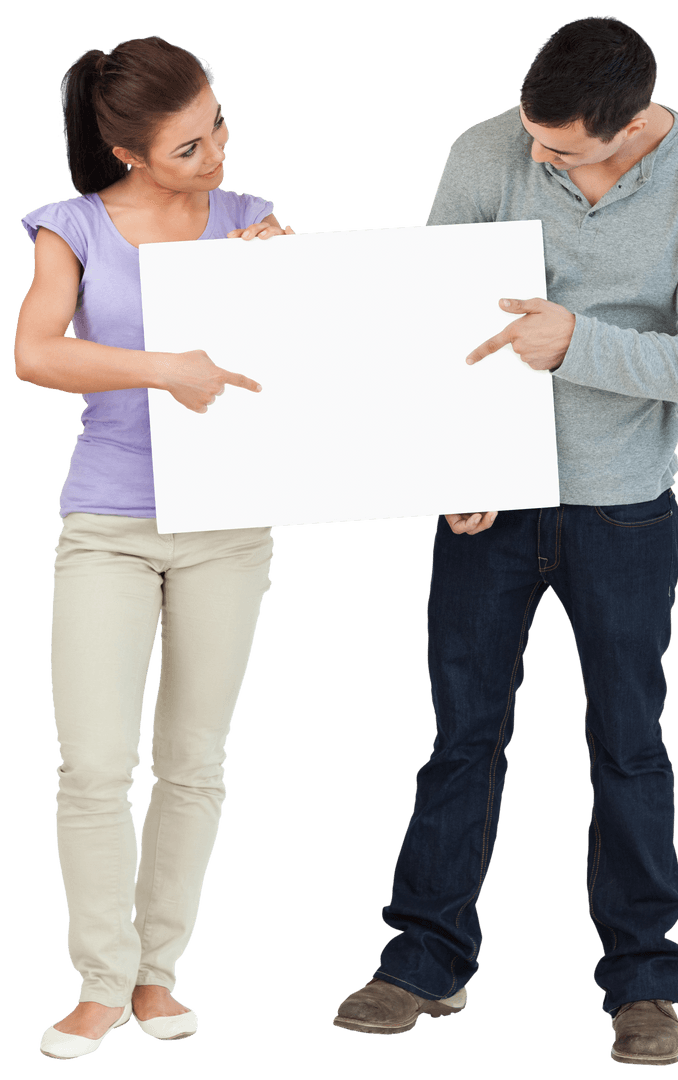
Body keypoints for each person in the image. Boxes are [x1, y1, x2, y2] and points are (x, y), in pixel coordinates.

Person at [332, 16, 678, 1067]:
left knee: (628, 743)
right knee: (459, 739)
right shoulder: (485, 149)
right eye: (532, 133)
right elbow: (428, 323)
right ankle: (422, 961)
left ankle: (643, 983)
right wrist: (451, 461)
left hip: (623, 508)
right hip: (490, 502)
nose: (536, 157)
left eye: (560, 150)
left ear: (627, 128)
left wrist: (573, 342)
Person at [14, 36, 293, 1061]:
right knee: (93, 765)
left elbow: (294, 367)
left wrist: (287, 281)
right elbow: (37, 352)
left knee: (192, 763)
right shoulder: (73, 228)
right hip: (111, 526)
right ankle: (95, 980)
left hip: (226, 527)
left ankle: (154, 973)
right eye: (187, 146)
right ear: (127, 150)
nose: (216, 152)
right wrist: (160, 367)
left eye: (217, 124)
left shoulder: (246, 219)